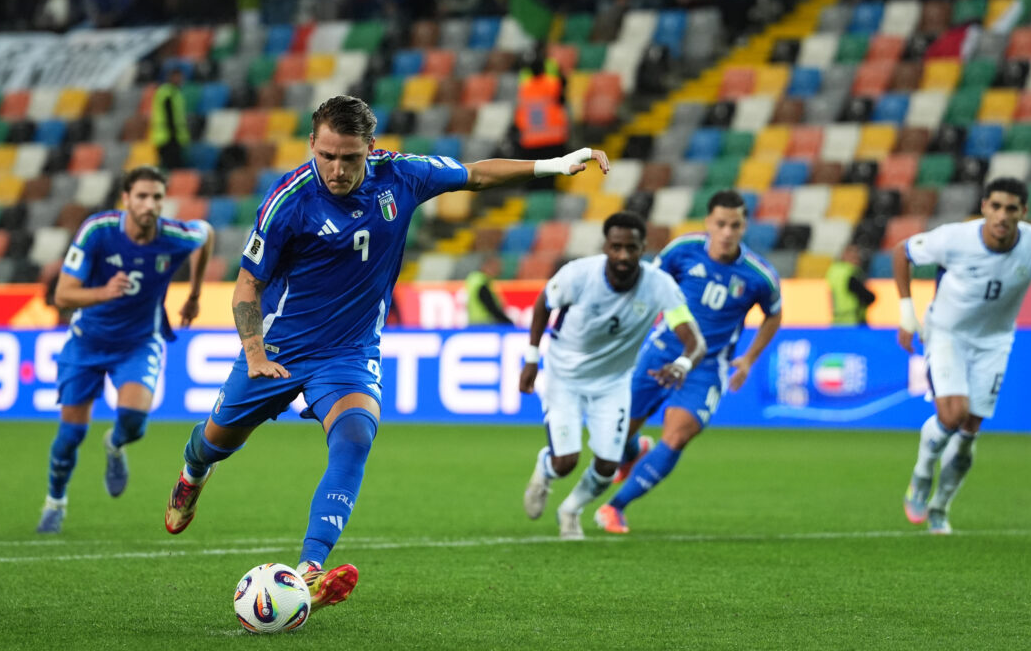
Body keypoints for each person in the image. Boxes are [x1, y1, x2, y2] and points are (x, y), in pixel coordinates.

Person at [163, 95, 608, 612]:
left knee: (355, 436)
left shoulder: (402, 176)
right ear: (312, 144)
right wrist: (254, 352)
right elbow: (247, 285)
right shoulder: (289, 199)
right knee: (215, 442)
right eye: (326, 155)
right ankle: (192, 475)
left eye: (349, 158)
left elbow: (475, 175)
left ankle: (310, 570)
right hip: (280, 346)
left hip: (349, 351)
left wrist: (555, 164)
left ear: (370, 148)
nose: (336, 169)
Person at [36, 166, 213, 534]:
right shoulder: (98, 231)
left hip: (139, 342)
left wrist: (195, 294)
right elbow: (63, 295)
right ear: (126, 199)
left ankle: (115, 445)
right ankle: (55, 501)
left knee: (133, 422)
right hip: (87, 341)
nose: (150, 204)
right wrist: (104, 292)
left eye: (157, 197)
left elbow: (206, 234)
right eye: (142, 196)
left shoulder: (174, 236)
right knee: (70, 436)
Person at [597, 190, 783, 534]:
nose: (727, 232)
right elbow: (648, 286)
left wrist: (748, 359)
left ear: (744, 227)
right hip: (661, 352)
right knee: (615, 433)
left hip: (707, 367)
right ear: (709, 222)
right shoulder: (683, 250)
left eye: (735, 225)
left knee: (678, 436)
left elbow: (774, 315)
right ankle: (633, 451)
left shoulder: (759, 275)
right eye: (721, 224)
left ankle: (615, 507)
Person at [520, 211, 705, 540]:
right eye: (616, 247)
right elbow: (542, 304)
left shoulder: (659, 285)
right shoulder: (578, 275)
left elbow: (696, 342)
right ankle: (544, 470)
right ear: (605, 246)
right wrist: (532, 359)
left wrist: (682, 364)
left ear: (643, 249)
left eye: (631, 248)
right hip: (565, 377)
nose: (623, 255)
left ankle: (571, 510)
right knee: (565, 463)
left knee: (608, 465)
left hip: (613, 383)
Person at [896, 177, 1031, 535]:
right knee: (953, 414)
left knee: (969, 430)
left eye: (1011, 209)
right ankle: (922, 474)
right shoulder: (955, 238)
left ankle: (940, 507)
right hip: (947, 334)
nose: (1002, 216)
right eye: (995, 206)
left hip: (994, 342)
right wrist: (906, 312)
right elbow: (902, 252)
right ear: (984, 207)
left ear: (1023, 212)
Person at [151, 67, 190, 170]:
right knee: (171, 166)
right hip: (168, 136)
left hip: (171, 136)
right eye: (176, 77)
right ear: (170, 78)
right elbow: (169, 116)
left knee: (172, 166)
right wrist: (174, 135)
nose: (179, 80)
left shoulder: (175, 92)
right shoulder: (168, 93)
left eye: (180, 77)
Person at [826, 244, 875, 326]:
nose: (857, 260)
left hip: (837, 319)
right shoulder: (850, 274)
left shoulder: (833, 271)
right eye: (854, 257)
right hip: (853, 319)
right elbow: (867, 296)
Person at [464, 255, 513, 326]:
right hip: (484, 324)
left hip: (473, 322)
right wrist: (507, 322)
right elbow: (490, 306)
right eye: (495, 266)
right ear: (486, 266)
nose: (499, 270)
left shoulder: (473, 279)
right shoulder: (481, 282)